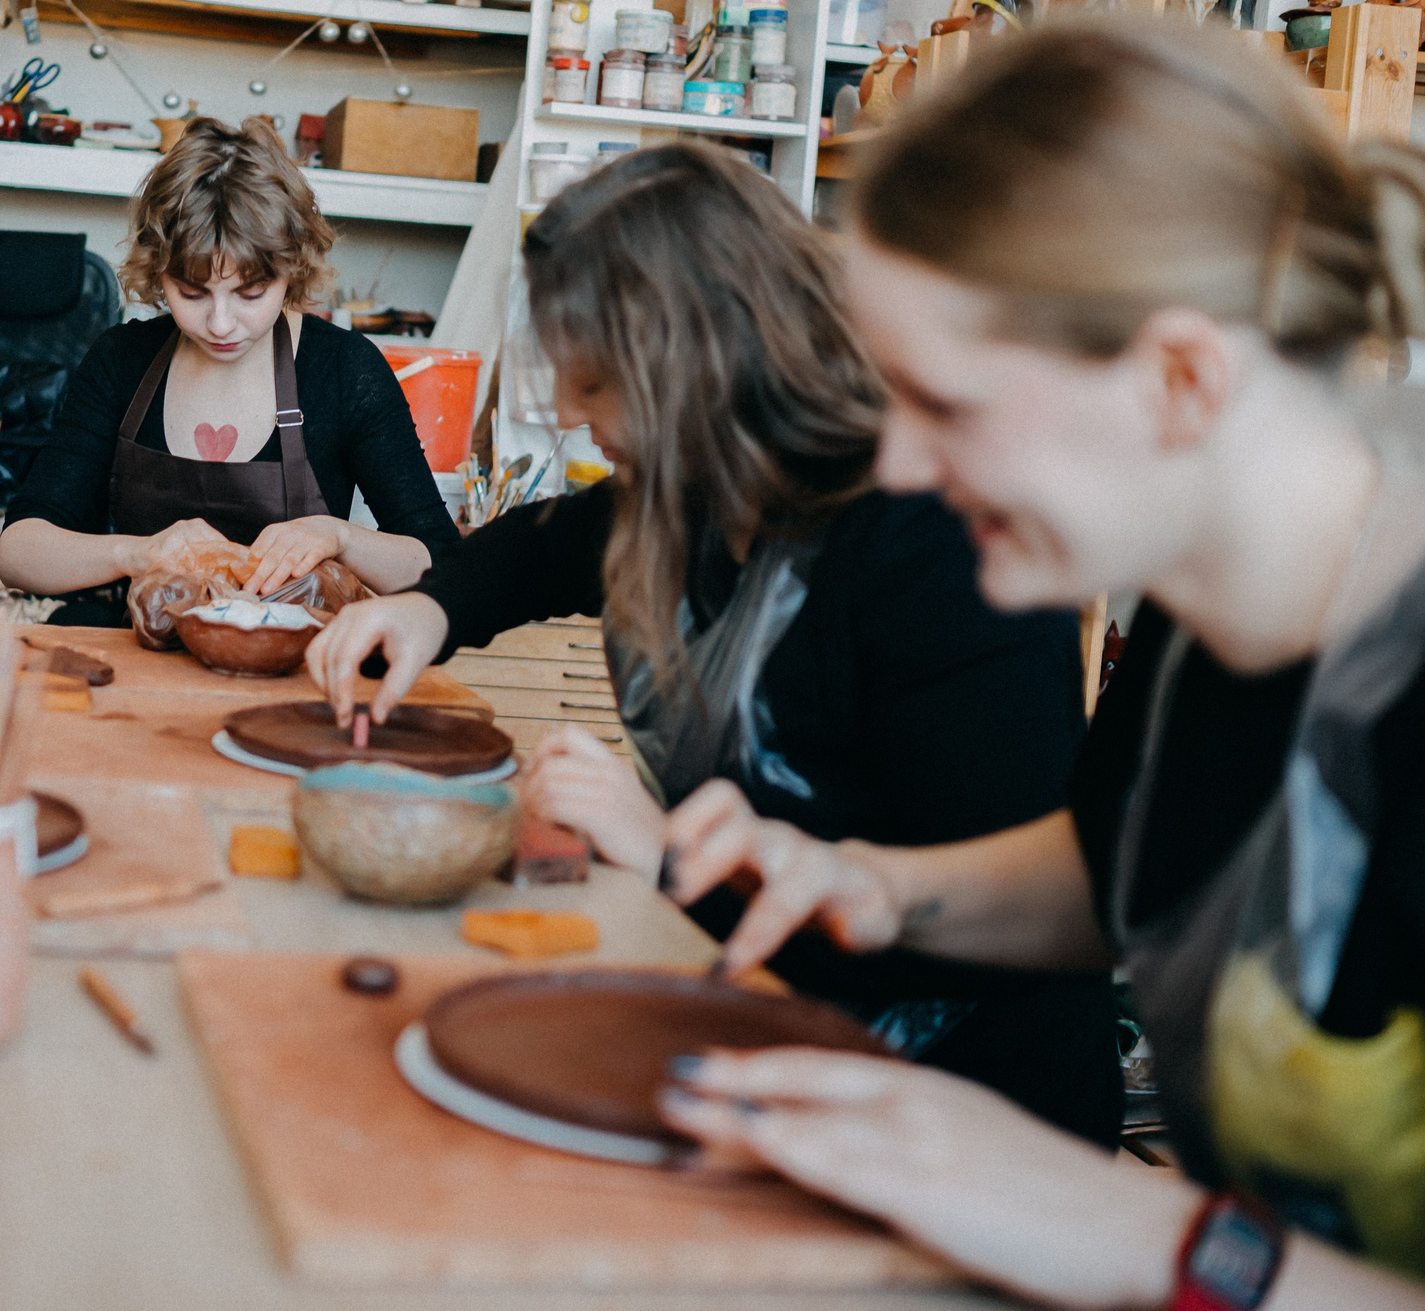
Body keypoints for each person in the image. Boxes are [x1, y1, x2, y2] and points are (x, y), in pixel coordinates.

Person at [654, 18, 1425, 1311]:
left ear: (1179, 378)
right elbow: (1124, 867)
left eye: (948, 405)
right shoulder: (1199, 627)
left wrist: (1137, 1227)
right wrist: (871, 884)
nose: (898, 466)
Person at [309, 142, 1119, 1143]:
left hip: (958, 1113)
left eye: (594, 382)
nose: (566, 411)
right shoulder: (693, 492)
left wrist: (661, 855)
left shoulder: (937, 550)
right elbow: (543, 544)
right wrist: (427, 610)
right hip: (755, 1030)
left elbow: (988, 924)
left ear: (694, 368)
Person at [0, 116, 457, 616]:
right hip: (134, 666)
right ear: (159, 274)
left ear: (291, 268)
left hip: (293, 675)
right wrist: (138, 552)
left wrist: (341, 538)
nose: (220, 323)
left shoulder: (345, 370)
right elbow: (18, 552)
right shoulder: (121, 362)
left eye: (250, 293)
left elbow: (443, 564)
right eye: (191, 293)